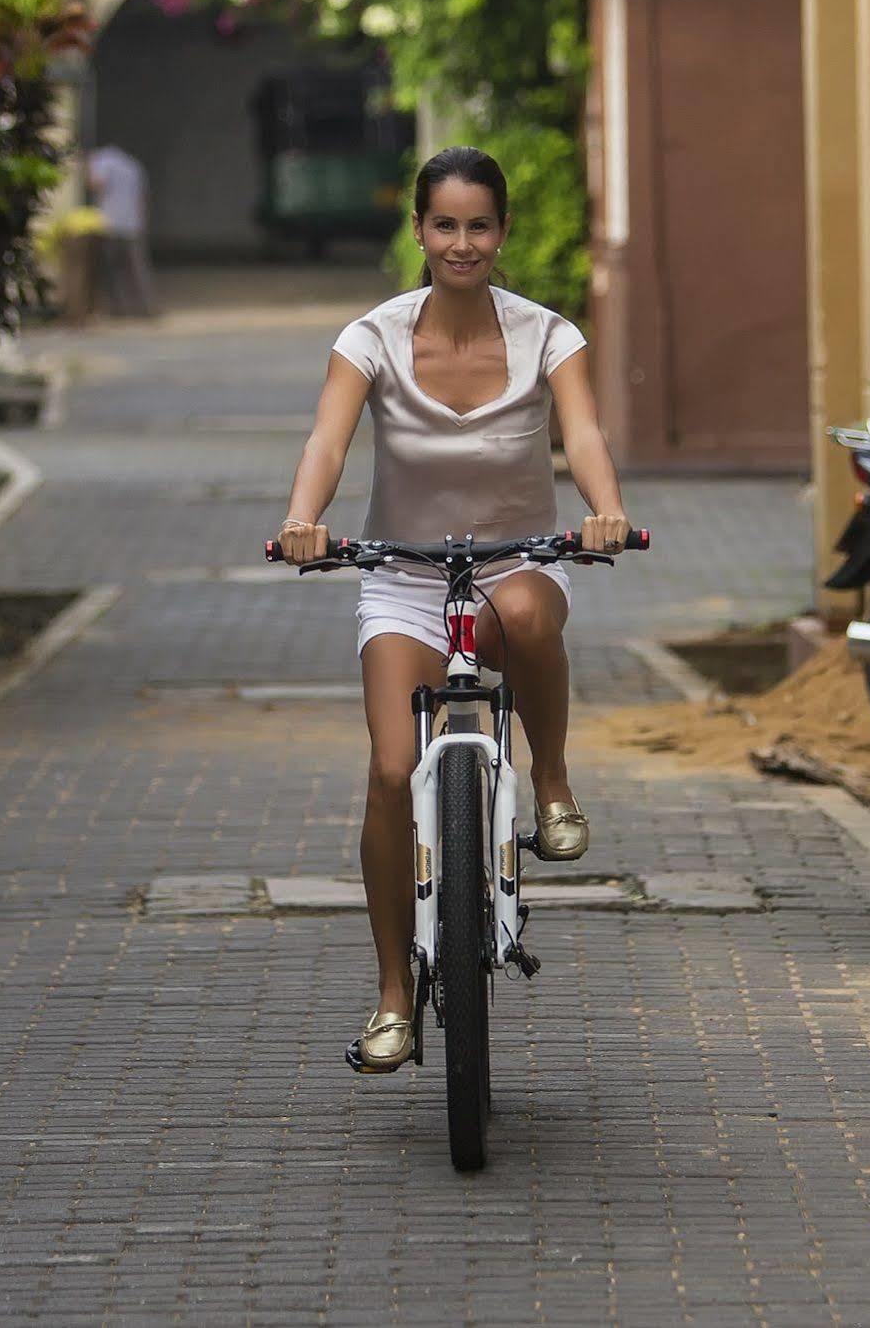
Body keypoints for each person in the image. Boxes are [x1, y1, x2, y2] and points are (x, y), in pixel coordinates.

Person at [275, 146, 634, 1073]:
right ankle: (395, 994)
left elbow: (583, 429)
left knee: (523, 614)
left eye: (479, 226)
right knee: (393, 771)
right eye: (445, 226)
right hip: (403, 571)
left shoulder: (550, 334)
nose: (462, 243)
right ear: (419, 232)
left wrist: (606, 511)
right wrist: (302, 521)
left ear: (502, 232)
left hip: (519, 558)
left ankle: (548, 780)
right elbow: (329, 435)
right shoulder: (373, 336)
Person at [86, 144, 157, 318]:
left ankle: (117, 310)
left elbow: (96, 184)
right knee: (137, 269)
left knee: (112, 270)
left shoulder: (102, 161)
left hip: (110, 223)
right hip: (132, 224)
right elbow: (142, 198)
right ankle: (146, 309)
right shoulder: (133, 165)